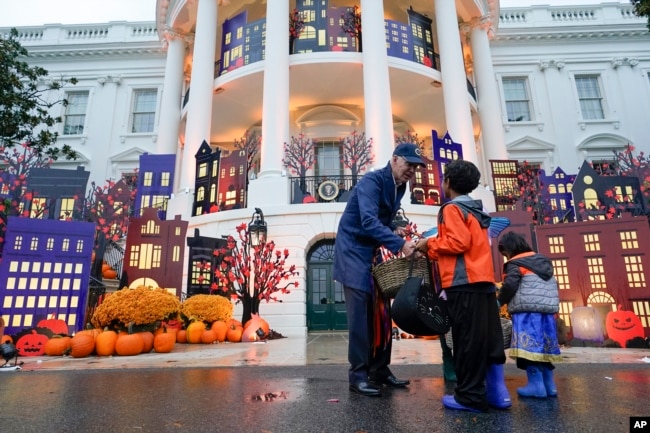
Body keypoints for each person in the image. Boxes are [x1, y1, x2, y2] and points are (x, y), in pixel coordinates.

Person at [415, 159, 511, 412]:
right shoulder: (478, 211)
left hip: (462, 282)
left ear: (447, 182)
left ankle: (469, 397)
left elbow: (458, 243)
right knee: (488, 338)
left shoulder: (450, 209)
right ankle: (496, 394)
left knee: (466, 340)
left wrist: (429, 246)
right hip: (483, 282)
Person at [333, 142, 424, 397]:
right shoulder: (370, 182)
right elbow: (369, 221)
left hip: (370, 251)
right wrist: (400, 244)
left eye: (416, 167)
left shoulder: (400, 185)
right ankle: (358, 376)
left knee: (382, 313)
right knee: (361, 316)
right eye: (409, 164)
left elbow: (381, 220)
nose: (412, 171)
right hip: (352, 251)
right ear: (394, 159)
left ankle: (380, 370)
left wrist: (394, 229)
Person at [497, 231, 561, 398]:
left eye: (505, 253)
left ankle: (536, 386)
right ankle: (550, 385)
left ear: (509, 249)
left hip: (526, 312)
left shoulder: (515, 263)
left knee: (529, 348)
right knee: (544, 348)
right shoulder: (543, 261)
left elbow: (510, 285)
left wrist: (499, 301)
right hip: (546, 313)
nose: (505, 257)